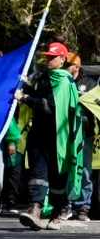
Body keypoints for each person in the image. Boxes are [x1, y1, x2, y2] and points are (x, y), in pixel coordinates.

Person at [16, 41, 83, 230]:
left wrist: (26, 98)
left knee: (57, 177)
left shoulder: (64, 81)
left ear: (62, 59)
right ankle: (35, 210)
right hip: (39, 134)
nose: (49, 60)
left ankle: (58, 212)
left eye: (53, 57)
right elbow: (37, 96)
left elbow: (48, 106)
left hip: (58, 137)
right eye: (47, 57)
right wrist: (25, 85)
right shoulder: (43, 77)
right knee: (38, 173)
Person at [66, 52, 94, 221]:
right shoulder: (62, 81)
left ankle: (83, 207)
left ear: (76, 66)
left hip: (85, 133)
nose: (65, 67)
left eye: (68, 64)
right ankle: (67, 204)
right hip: (66, 133)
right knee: (66, 168)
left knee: (84, 170)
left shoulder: (89, 83)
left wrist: (83, 98)